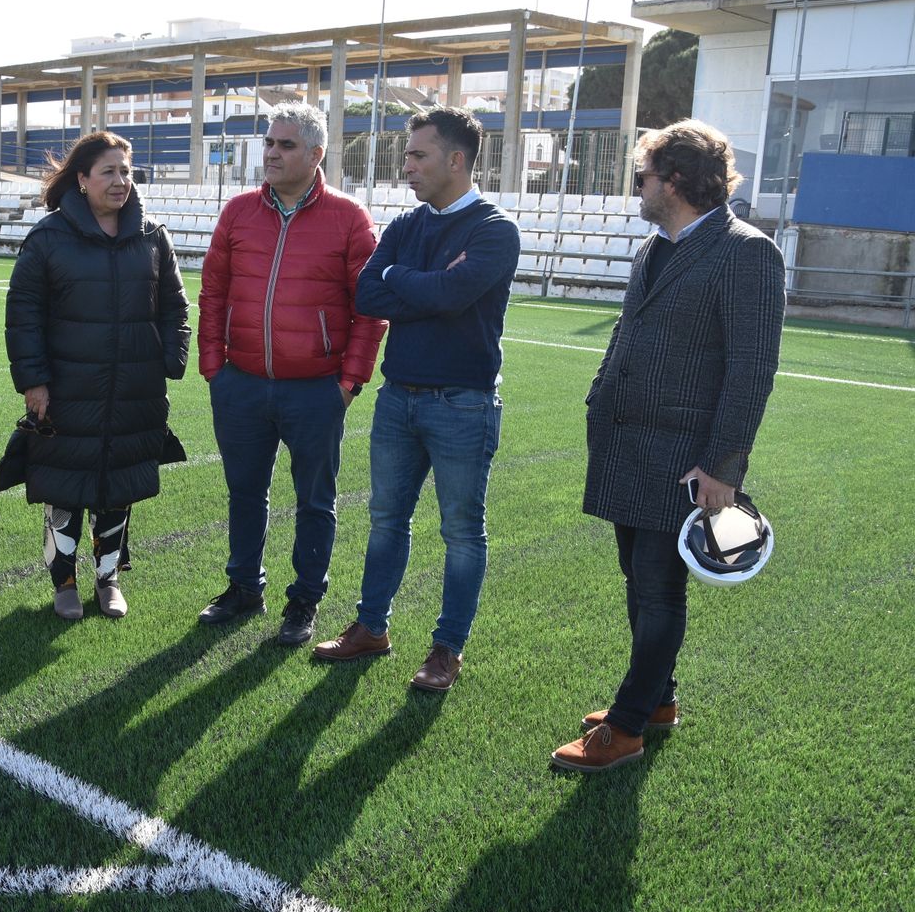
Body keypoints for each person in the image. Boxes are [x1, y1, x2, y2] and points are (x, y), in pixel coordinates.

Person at [552, 120, 784, 772]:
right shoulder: (655, 247)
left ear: (675, 179)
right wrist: (600, 395)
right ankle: (659, 700)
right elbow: (627, 336)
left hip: (684, 461)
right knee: (639, 581)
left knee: (658, 590)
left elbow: (751, 369)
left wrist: (722, 467)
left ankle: (626, 727)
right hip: (627, 446)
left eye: (643, 177)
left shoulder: (747, 252)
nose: (638, 188)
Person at [313, 107, 520, 694]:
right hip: (397, 396)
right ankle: (371, 627)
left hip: (463, 403)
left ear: (456, 160)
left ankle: (446, 650)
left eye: (418, 155)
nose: (407, 166)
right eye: (407, 155)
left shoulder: (493, 230)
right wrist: (418, 282)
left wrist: (406, 279)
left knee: (461, 532)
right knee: (385, 521)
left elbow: (452, 295)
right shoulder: (407, 225)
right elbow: (367, 292)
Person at [196, 103, 384, 645]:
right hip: (241, 383)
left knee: (315, 500)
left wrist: (349, 383)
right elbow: (213, 294)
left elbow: (369, 309)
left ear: (316, 154)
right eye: (269, 143)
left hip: (316, 391)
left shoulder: (349, 217)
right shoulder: (237, 212)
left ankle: (303, 600)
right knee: (244, 491)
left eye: (286, 145)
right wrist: (215, 366)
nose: (272, 153)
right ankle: (242, 587)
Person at [4, 132, 190, 620]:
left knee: (119, 485)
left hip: (135, 389)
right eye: (108, 171)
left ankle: (107, 577)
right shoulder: (48, 237)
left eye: (126, 171)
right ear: (82, 179)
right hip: (67, 390)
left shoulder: (153, 236)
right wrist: (34, 381)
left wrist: (172, 357)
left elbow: (175, 305)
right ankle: (63, 580)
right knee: (64, 484)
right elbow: (23, 314)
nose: (120, 181)